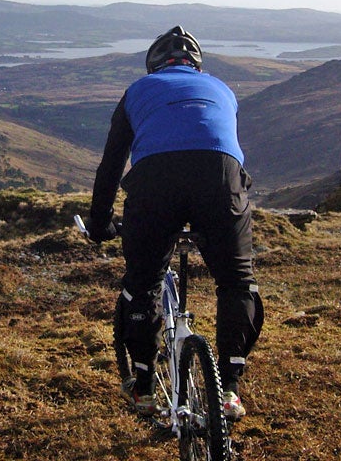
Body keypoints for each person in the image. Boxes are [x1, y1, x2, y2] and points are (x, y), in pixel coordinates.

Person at [86, 26, 264, 420]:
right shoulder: (222, 89)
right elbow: (224, 146)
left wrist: (100, 224)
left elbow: (112, 165)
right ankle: (230, 388)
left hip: (155, 184)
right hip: (219, 180)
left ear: (154, 66)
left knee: (143, 284)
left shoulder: (138, 91)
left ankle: (146, 387)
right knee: (237, 281)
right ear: (196, 66)